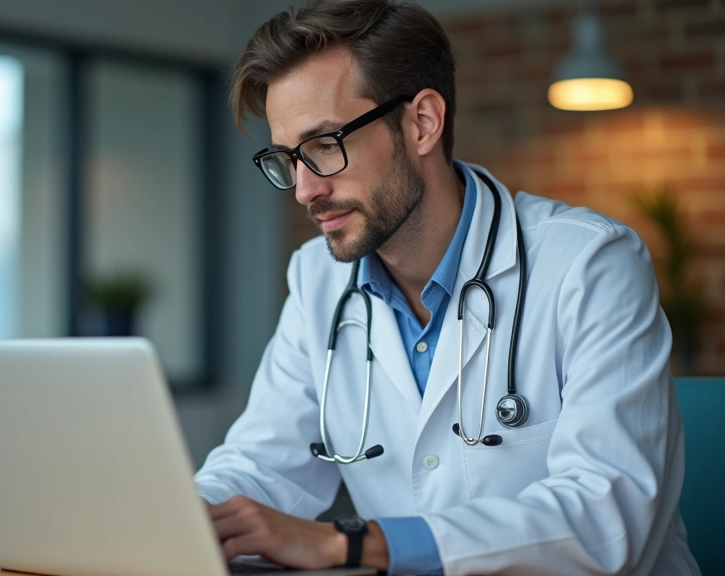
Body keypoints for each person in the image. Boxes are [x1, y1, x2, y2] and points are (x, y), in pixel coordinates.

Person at [192, 1, 701, 574]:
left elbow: (606, 517)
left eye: (326, 145)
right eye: (288, 159)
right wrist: (177, 521)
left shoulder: (590, 264)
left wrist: (351, 544)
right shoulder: (317, 279)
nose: (305, 190)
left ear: (422, 123)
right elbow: (260, 466)